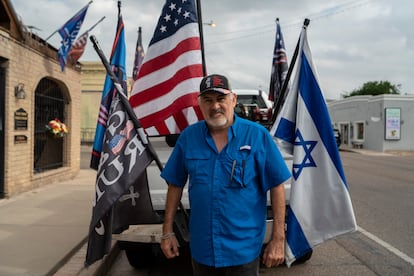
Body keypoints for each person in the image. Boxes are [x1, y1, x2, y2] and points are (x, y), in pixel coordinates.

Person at [160, 74, 291, 275]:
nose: (215, 106)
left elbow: (276, 185)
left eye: (221, 99)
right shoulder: (189, 138)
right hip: (203, 250)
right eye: (208, 100)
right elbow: (174, 184)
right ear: (200, 104)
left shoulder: (257, 136)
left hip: (243, 251)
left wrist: (278, 239)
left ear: (233, 100)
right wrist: (167, 232)